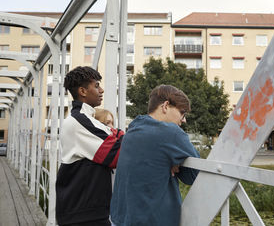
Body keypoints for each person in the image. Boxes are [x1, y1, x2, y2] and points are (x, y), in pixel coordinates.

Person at [110, 84, 200, 226]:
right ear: (165, 106)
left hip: (121, 218)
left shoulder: (133, 130)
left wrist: (170, 162)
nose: (184, 120)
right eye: (182, 112)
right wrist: (177, 164)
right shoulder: (171, 132)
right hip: (152, 220)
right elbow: (195, 176)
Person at [56, 66, 124, 226]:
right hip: (83, 213)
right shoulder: (79, 121)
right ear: (83, 91)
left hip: (83, 210)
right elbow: (116, 154)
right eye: (96, 85)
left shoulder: (85, 119)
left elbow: (117, 135)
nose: (101, 90)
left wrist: (117, 135)